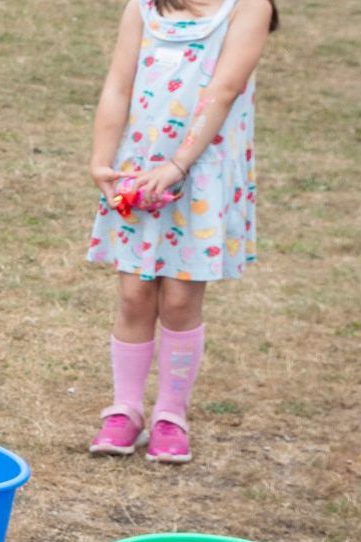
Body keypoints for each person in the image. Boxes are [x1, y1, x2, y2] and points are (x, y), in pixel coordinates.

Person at [85, 0, 275, 463]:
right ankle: (124, 411)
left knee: (179, 300)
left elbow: (224, 90)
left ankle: (171, 415)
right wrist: (102, 162)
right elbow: (118, 85)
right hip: (138, 171)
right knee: (133, 296)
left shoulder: (249, 7)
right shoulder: (144, 9)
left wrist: (176, 166)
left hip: (201, 175)